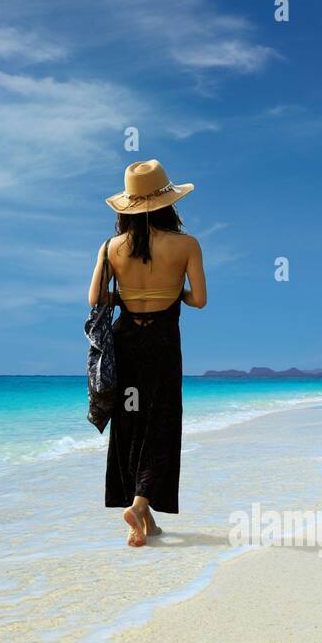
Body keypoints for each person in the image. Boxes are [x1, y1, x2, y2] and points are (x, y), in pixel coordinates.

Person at [88, 159, 206, 546]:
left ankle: (145, 518)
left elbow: (95, 299)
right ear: (167, 203)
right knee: (163, 420)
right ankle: (140, 506)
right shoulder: (186, 244)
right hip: (162, 341)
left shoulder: (111, 247)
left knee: (131, 419)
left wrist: (127, 294)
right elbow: (199, 300)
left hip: (126, 341)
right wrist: (172, 292)